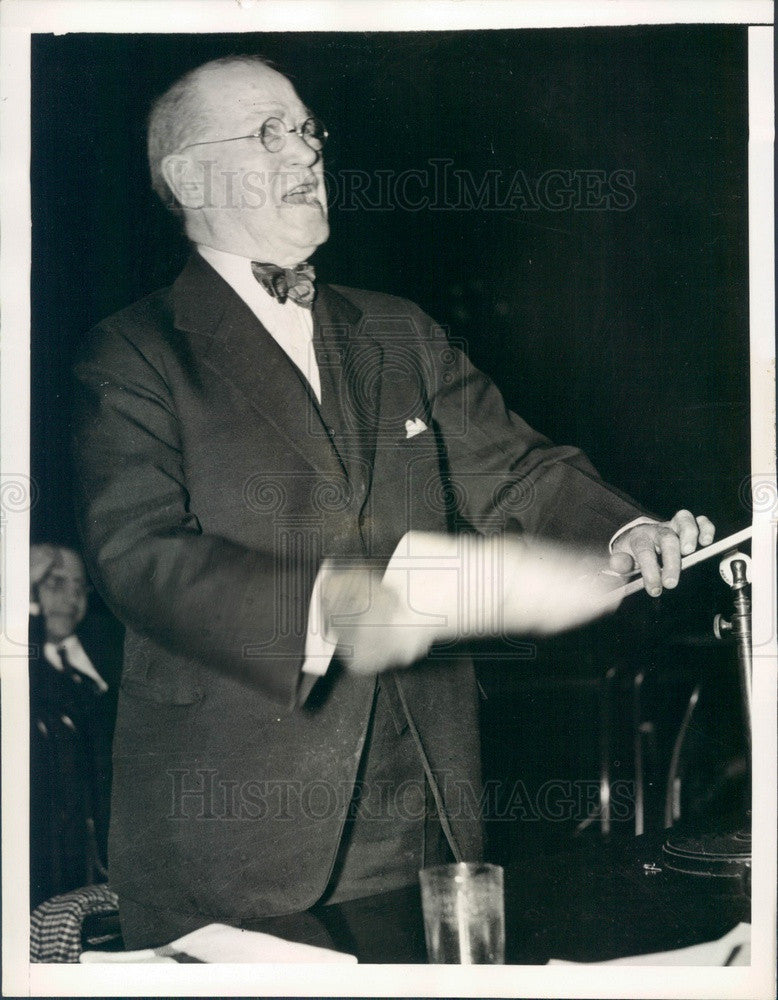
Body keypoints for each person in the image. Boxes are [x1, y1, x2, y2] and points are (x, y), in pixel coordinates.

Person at [71, 55, 715, 948]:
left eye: (308, 129)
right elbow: (138, 560)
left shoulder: (398, 329)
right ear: (188, 177)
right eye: (270, 132)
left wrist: (626, 530)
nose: (306, 150)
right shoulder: (131, 353)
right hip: (233, 836)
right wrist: (329, 602)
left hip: (425, 808)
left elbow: (518, 470)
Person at [29, 544, 118, 908]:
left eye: (80, 586)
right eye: (52, 582)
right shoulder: (24, 666)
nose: (70, 596)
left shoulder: (110, 652)